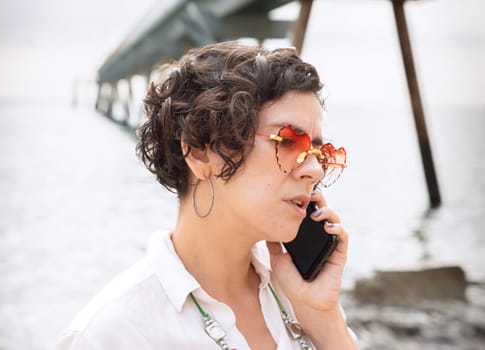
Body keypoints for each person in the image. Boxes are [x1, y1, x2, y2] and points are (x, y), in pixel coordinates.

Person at [56, 41, 356, 349]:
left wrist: (324, 317)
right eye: (289, 141)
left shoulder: (296, 295)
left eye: (319, 152)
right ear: (200, 153)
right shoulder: (113, 334)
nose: (315, 170)